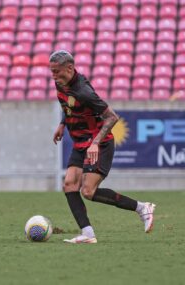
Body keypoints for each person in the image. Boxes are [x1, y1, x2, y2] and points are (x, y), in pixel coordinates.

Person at [49, 50, 156, 244]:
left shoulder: (84, 91)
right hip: (80, 142)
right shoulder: (61, 82)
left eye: (57, 71)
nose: (53, 76)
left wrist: (96, 143)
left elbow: (112, 117)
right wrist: (63, 124)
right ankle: (87, 233)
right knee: (69, 185)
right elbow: (68, 105)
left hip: (100, 143)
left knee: (88, 191)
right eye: (52, 72)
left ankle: (142, 208)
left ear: (70, 68)